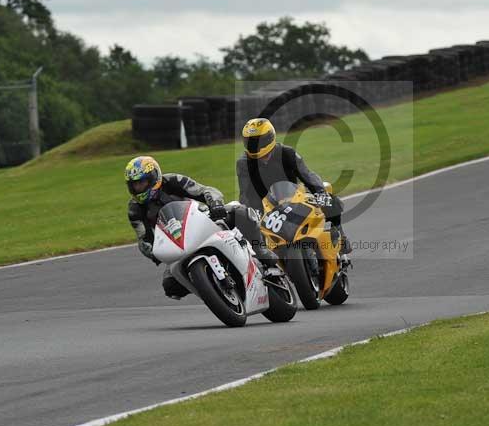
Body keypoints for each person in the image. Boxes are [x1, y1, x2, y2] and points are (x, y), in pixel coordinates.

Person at [125, 155, 278, 300]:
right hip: (177, 244)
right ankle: (211, 289)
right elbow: (144, 238)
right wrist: (154, 252)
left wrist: (215, 204)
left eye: (142, 182)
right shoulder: (135, 209)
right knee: (170, 286)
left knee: (241, 213)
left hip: (201, 221)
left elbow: (205, 190)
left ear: (153, 177)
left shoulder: (172, 181)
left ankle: (261, 250)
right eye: (134, 185)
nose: (138, 188)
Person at [235, 117, 353, 255]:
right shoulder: (243, 163)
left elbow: (307, 175)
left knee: (330, 201)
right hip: (267, 208)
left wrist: (320, 192)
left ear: (269, 138)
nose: (254, 146)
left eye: (257, 142)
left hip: (294, 198)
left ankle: (340, 234)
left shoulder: (287, 153)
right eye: (250, 142)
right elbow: (246, 193)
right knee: (250, 232)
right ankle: (267, 264)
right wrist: (251, 213)